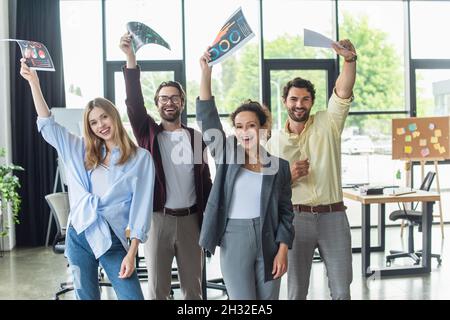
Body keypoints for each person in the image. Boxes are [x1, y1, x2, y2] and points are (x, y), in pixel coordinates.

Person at [20, 58, 155, 300]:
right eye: (93, 122)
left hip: (112, 239)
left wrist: (132, 252)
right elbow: (48, 126)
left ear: (113, 116)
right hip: (78, 237)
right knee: (86, 297)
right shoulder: (79, 150)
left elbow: (141, 209)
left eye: (104, 117)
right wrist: (34, 83)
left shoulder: (140, 158)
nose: (100, 125)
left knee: (133, 297)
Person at [119, 33, 212, 300]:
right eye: (163, 98)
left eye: (174, 98)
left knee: (193, 290)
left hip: (192, 221)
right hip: (158, 220)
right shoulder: (148, 134)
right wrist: (130, 58)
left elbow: (205, 181)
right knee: (158, 289)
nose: (169, 102)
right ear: (157, 104)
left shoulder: (195, 137)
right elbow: (134, 103)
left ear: (182, 103)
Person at [197, 50, 295, 300]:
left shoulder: (279, 166)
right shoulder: (227, 153)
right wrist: (206, 73)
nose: (244, 132)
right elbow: (208, 119)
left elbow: (286, 211)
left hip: (270, 239)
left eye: (251, 125)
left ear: (263, 128)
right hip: (234, 236)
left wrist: (283, 249)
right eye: (238, 127)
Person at [265, 39, 357, 300]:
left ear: (312, 102)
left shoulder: (329, 123)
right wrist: (288, 177)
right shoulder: (273, 143)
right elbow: (268, 189)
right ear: (285, 101)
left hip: (333, 216)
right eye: (294, 98)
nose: (299, 104)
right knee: (296, 292)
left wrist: (349, 60)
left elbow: (342, 91)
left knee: (341, 290)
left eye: (305, 99)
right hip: (295, 219)